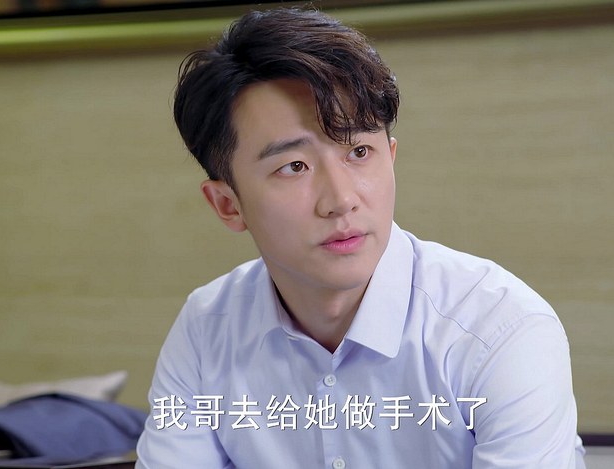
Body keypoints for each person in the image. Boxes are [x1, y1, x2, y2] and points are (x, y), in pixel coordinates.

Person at [136, 7, 585, 469]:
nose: (341, 200)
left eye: (359, 151)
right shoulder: (206, 329)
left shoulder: (497, 329)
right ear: (228, 205)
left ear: (391, 157)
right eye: (294, 166)